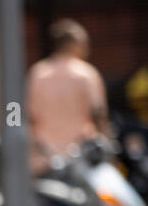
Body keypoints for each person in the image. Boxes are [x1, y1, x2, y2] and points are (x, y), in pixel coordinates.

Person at [26, 19, 108, 164]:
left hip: (44, 155)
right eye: (84, 43)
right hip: (81, 154)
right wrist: (106, 140)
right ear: (73, 45)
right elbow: (98, 111)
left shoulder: (37, 72)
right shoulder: (86, 74)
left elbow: (22, 111)